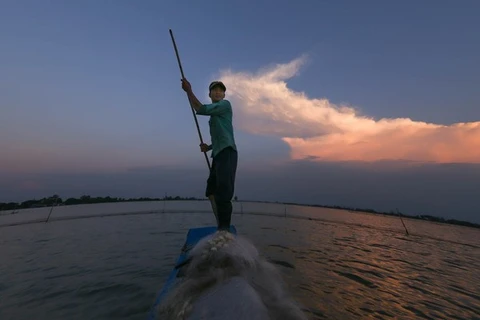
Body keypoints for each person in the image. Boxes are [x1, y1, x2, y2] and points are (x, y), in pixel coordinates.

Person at [181, 78, 238, 231]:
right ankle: (221, 225)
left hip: (228, 153)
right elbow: (222, 135)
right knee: (211, 191)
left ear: (224, 94)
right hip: (218, 153)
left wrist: (189, 91)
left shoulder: (225, 105)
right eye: (215, 89)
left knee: (224, 193)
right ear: (210, 94)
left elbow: (200, 109)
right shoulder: (214, 118)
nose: (218, 91)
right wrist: (208, 147)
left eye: (221, 90)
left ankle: (224, 231)